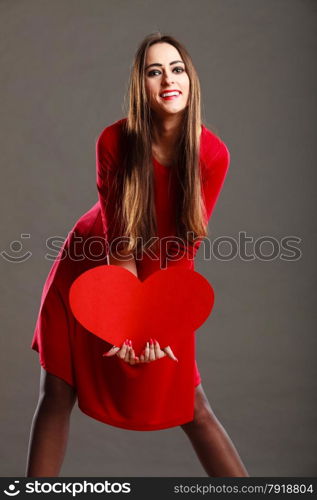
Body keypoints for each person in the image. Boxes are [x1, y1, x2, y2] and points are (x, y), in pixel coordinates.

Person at [26, 33, 249, 477]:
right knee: (57, 389)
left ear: (191, 80)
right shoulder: (114, 141)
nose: (169, 79)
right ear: (140, 86)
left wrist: (158, 324)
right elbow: (120, 248)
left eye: (178, 68)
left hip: (166, 272)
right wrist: (123, 323)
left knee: (192, 405)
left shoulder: (212, 154)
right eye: (154, 70)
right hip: (93, 265)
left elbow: (185, 249)